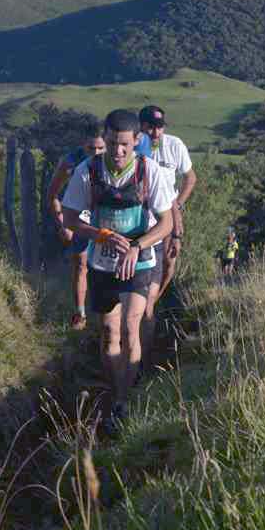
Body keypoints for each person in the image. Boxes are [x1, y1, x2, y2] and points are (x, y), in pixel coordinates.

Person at [60, 110, 174, 430]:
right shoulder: (88, 172)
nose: (118, 150)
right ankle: (114, 392)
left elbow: (166, 222)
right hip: (102, 262)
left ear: (137, 141)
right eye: (112, 143)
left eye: (124, 144)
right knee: (109, 333)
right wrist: (102, 235)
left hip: (141, 261)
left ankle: (123, 401)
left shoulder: (150, 172)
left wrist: (137, 246)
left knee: (129, 328)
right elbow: (70, 219)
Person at [135, 104, 196, 351]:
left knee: (170, 262)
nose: (155, 132)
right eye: (150, 127)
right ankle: (142, 307)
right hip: (139, 212)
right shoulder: (135, 144)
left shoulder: (175, 145)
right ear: (142, 126)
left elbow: (190, 177)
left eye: (159, 127)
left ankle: (152, 304)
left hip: (168, 210)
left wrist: (178, 206)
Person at [46, 123, 106, 329]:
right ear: (83, 145)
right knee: (81, 264)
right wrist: (63, 224)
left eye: (100, 148)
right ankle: (80, 313)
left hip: (106, 217)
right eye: (91, 148)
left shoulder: (115, 161)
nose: (96, 152)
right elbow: (52, 194)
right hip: (79, 216)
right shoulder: (70, 162)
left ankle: (105, 312)